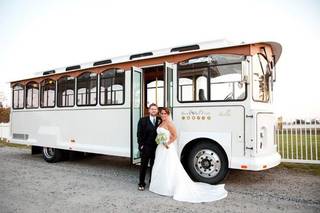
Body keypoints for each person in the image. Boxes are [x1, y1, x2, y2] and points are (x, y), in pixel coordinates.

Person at [149, 107, 228, 203]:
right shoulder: (160, 123)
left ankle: (168, 187)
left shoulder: (169, 123)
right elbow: (161, 134)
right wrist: (160, 140)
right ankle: (159, 186)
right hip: (160, 148)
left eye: (165, 113)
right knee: (160, 165)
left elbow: (174, 136)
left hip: (167, 148)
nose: (163, 115)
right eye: (161, 113)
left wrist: (167, 143)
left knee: (169, 166)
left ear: (168, 114)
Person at [137, 103, 161, 191]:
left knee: (154, 166)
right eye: (152, 109)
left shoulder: (160, 120)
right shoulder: (143, 120)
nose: (154, 110)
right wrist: (141, 145)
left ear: (157, 111)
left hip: (157, 147)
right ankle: (141, 183)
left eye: (155, 109)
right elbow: (139, 134)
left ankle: (152, 183)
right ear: (149, 110)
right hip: (146, 147)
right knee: (143, 166)